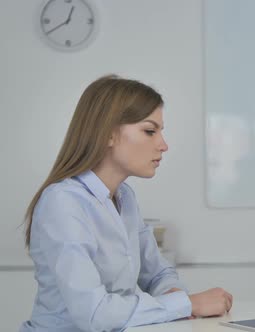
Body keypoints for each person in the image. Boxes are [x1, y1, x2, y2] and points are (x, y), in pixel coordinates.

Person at [21, 75, 233, 331]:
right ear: (108, 134)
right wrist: (187, 304)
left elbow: (156, 274)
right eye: (149, 131)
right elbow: (95, 314)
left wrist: (175, 295)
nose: (163, 145)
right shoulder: (62, 203)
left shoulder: (125, 197)